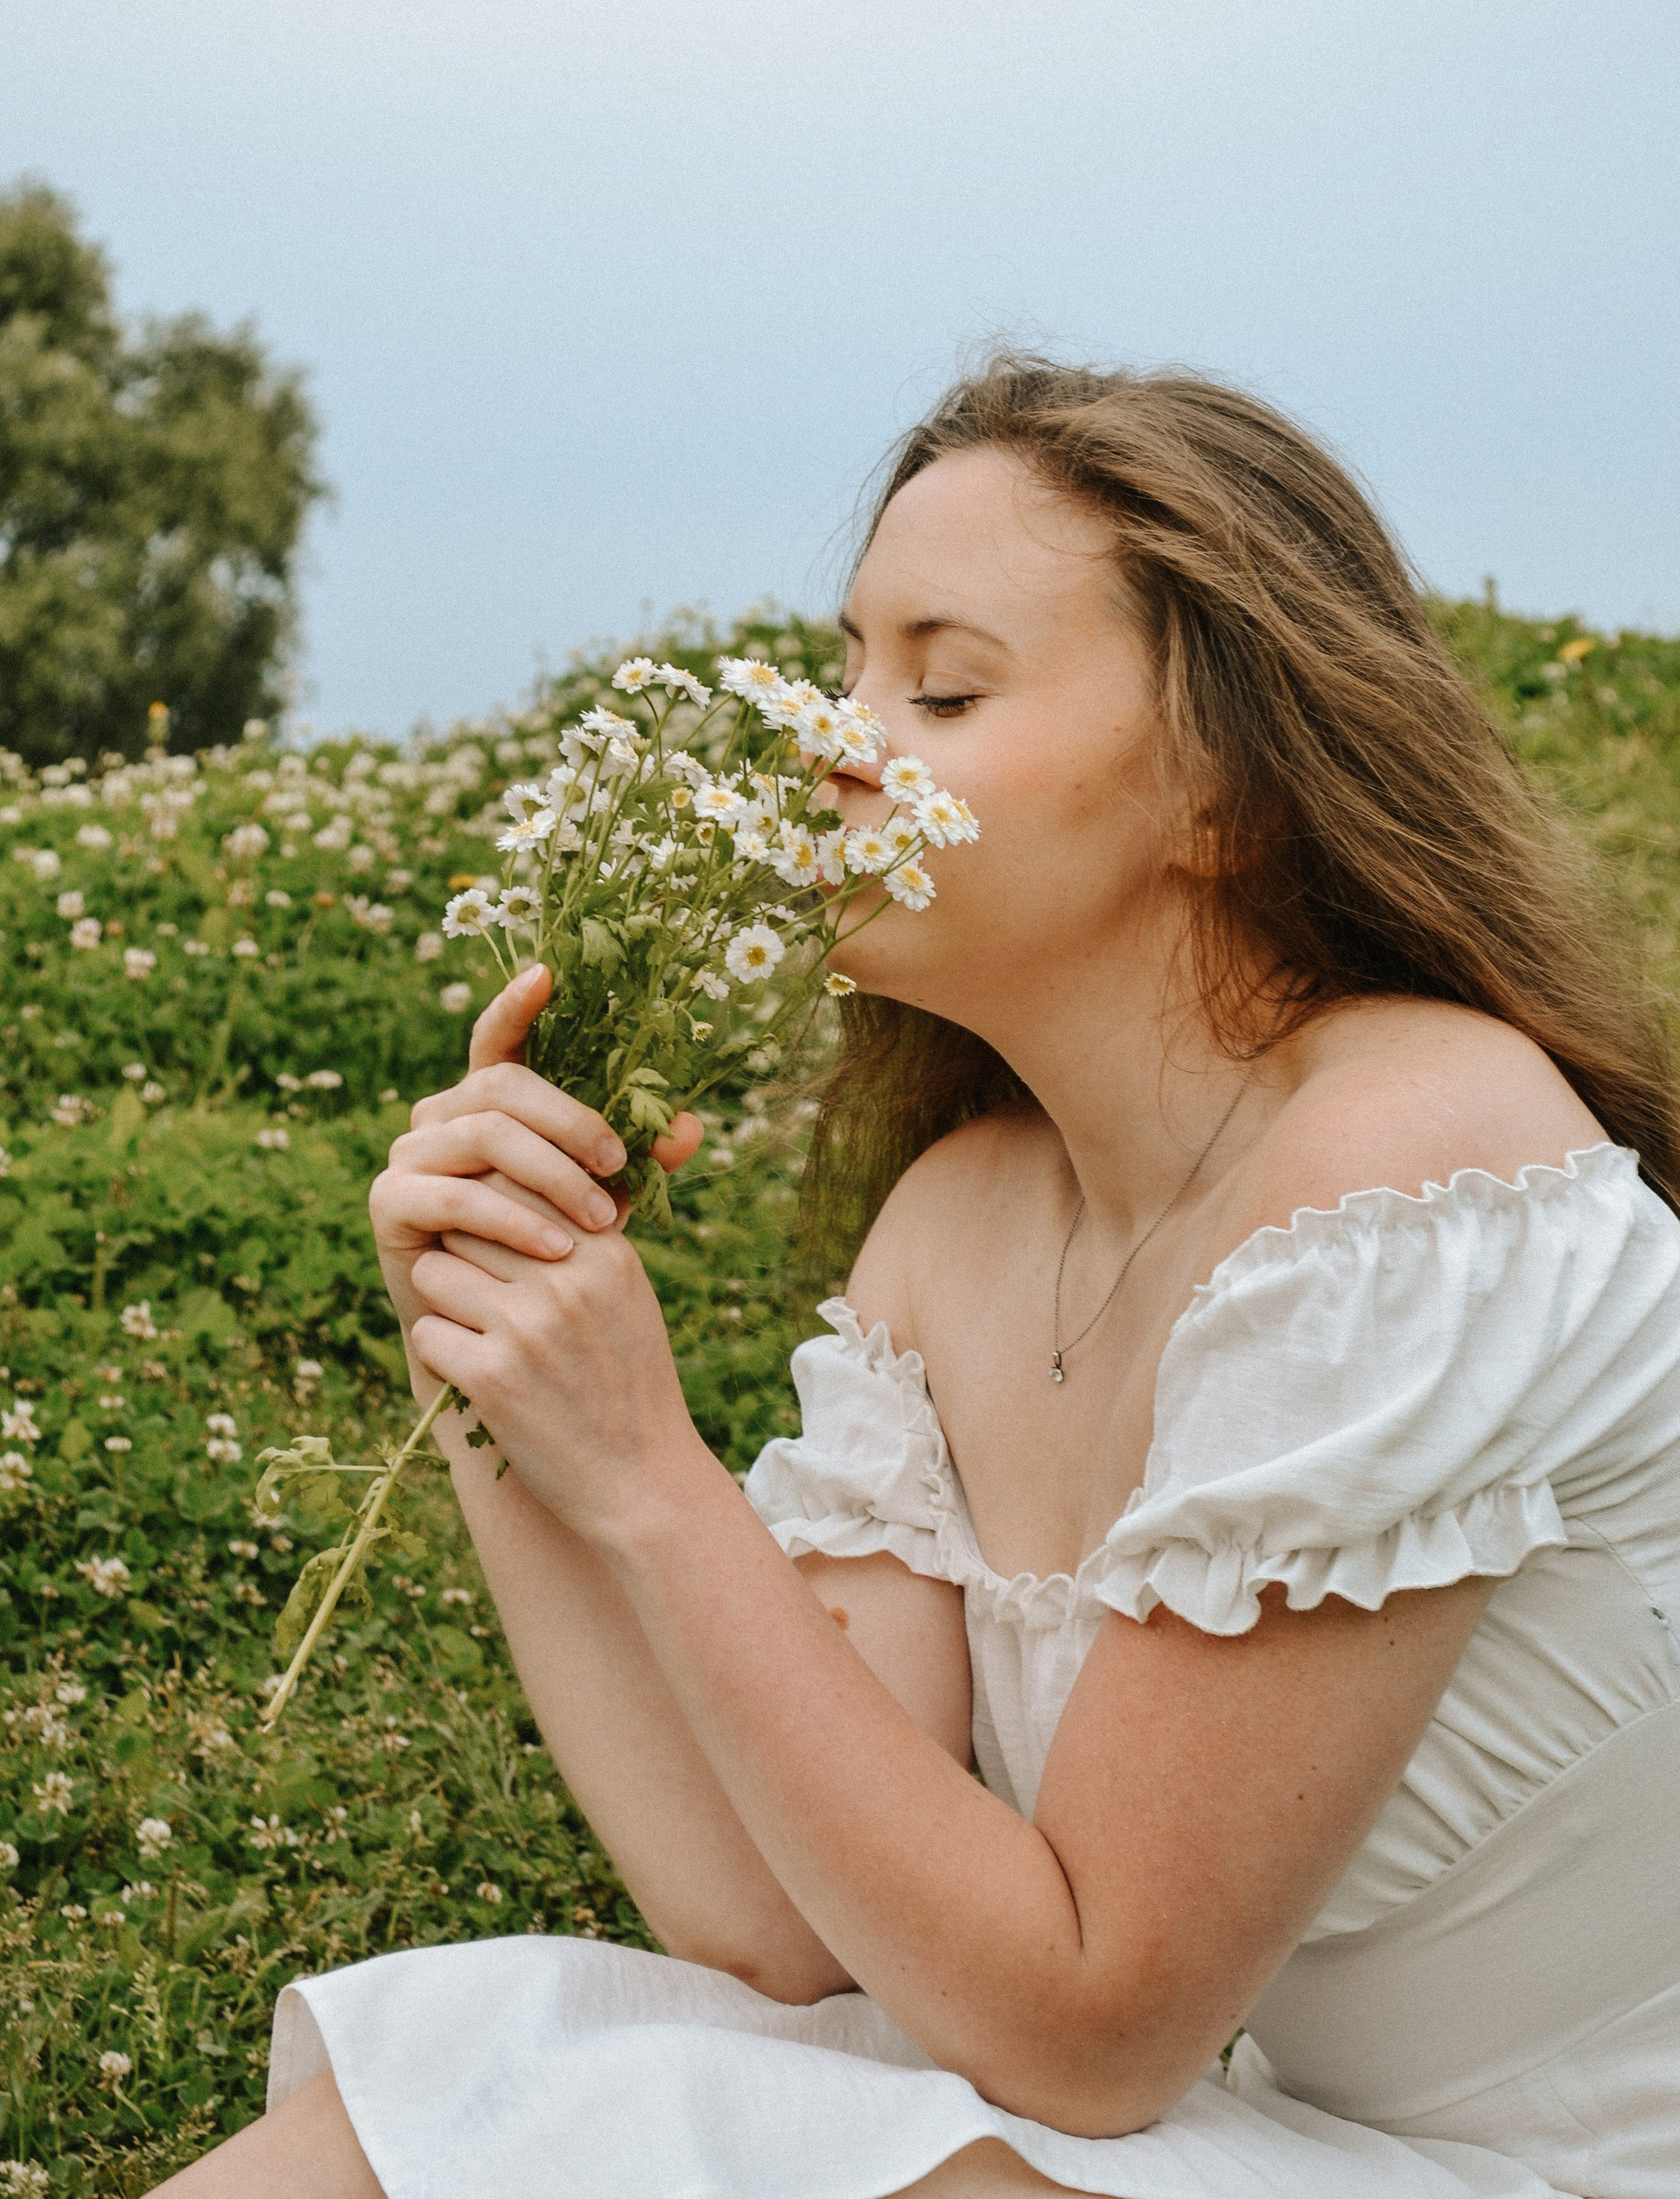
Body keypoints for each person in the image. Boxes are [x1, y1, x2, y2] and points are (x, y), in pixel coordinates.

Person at [157, 360, 1680, 2198]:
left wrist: (650, 1468)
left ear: (1229, 794)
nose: (836, 737)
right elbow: (775, 1925)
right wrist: (495, 1346)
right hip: (1280, 2150)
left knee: (582, 2104)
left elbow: (1093, 2031)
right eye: (848, 666)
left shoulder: (1412, 1168)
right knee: (517, 2053)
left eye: (943, 689)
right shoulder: (960, 1226)